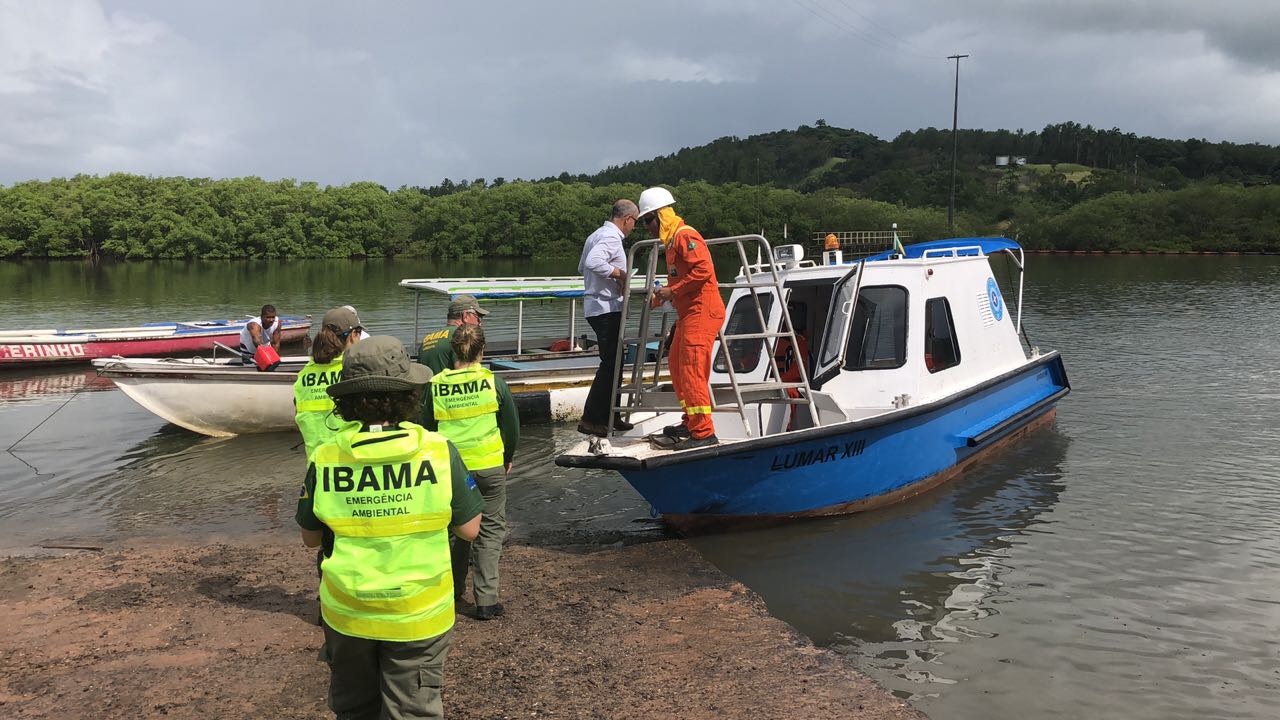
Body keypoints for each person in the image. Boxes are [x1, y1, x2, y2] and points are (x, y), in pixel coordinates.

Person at [295, 335, 484, 720]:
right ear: (408, 395)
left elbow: (310, 537)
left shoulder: (326, 456)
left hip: (348, 609)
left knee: (354, 709)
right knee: (411, 711)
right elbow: (470, 530)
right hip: (419, 610)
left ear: (345, 400)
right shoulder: (438, 450)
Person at [421, 324, 520, 621]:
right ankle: (487, 600)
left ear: (452, 350)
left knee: (456, 530)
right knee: (490, 530)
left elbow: (426, 428)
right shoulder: (494, 383)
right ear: (483, 351)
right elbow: (511, 427)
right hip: (489, 465)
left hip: (452, 470)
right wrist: (507, 456)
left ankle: (451, 592)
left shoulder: (434, 384)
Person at [640, 186, 726, 450]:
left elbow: (703, 270)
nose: (647, 227)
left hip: (702, 311)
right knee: (678, 368)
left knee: (692, 371)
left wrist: (671, 291)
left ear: (661, 216)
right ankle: (690, 421)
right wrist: (662, 297)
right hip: (689, 313)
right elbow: (682, 278)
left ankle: (703, 433)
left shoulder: (685, 236)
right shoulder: (672, 241)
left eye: (647, 220)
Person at [576, 199, 639, 436]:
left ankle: (611, 415)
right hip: (606, 308)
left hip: (598, 306)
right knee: (610, 365)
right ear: (627, 219)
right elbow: (593, 263)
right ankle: (591, 418)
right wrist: (621, 275)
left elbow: (582, 267)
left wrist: (611, 279)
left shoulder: (596, 235)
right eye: (635, 222)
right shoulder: (612, 238)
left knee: (614, 363)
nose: (634, 227)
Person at [293, 306, 363, 459]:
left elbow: (300, 418)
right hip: (349, 467)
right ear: (353, 335)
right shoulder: (353, 370)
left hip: (317, 467)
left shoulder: (304, 374)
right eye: (359, 334)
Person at [417, 295, 488, 374]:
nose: (479, 323)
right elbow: (466, 374)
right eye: (478, 317)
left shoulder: (427, 339)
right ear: (466, 316)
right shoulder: (463, 337)